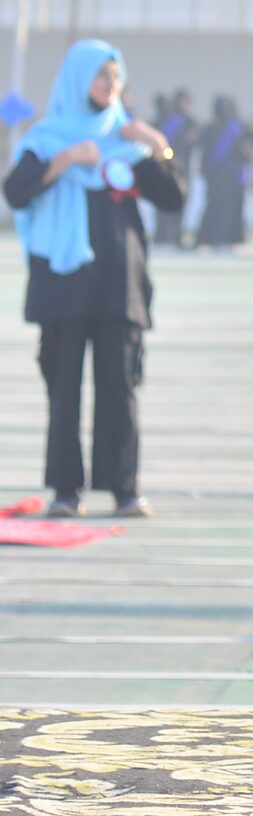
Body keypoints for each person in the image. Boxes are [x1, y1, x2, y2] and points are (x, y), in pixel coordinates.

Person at [2, 39, 184, 519]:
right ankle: (66, 490)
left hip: (118, 283)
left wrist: (158, 146)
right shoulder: (47, 138)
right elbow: (15, 192)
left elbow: (173, 198)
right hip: (64, 284)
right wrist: (63, 161)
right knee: (64, 388)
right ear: (78, 79)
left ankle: (124, 489)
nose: (110, 84)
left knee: (120, 386)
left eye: (116, 76)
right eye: (102, 75)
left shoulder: (125, 139)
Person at [198, 97, 253, 249]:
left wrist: (246, 150)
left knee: (229, 209)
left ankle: (227, 239)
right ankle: (214, 239)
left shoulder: (237, 128)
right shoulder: (212, 129)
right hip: (217, 176)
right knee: (216, 208)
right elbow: (202, 147)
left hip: (232, 176)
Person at [152, 89, 196, 248]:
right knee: (163, 200)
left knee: (180, 201)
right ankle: (162, 236)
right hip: (165, 166)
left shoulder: (190, 121)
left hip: (182, 168)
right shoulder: (166, 120)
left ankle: (176, 236)